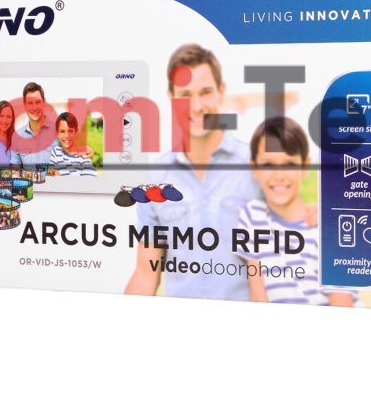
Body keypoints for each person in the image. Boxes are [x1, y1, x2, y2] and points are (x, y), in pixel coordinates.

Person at [125, 44, 260, 301]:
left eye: (205, 92)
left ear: (221, 92)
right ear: (171, 98)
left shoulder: (255, 168)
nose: (196, 106)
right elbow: (145, 273)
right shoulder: (156, 179)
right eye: (185, 95)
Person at [237, 117, 355, 306]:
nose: (279, 176)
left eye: (290, 164)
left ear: (305, 166)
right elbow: (258, 298)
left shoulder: (326, 229)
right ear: (255, 168)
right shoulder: (252, 216)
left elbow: (343, 306)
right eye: (268, 165)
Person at [44, 112, 97, 176]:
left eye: (70, 131)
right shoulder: (55, 151)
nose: (67, 136)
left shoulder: (83, 156)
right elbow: (50, 174)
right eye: (62, 131)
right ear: (57, 133)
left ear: (76, 132)